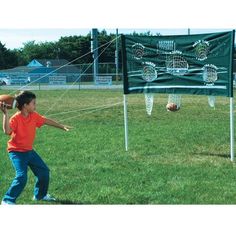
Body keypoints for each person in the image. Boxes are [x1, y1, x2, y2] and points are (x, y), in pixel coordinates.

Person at [0, 91, 70, 205]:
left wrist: (62, 126)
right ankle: (7, 200)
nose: (35, 106)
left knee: (44, 172)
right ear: (25, 106)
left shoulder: (34, 116)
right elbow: (7, 131)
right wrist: (5, 114)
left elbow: (46, 120)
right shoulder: (15, 118)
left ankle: (40, 196)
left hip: (29, 151)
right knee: (22, 176)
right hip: (17, 152)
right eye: (33, 103)